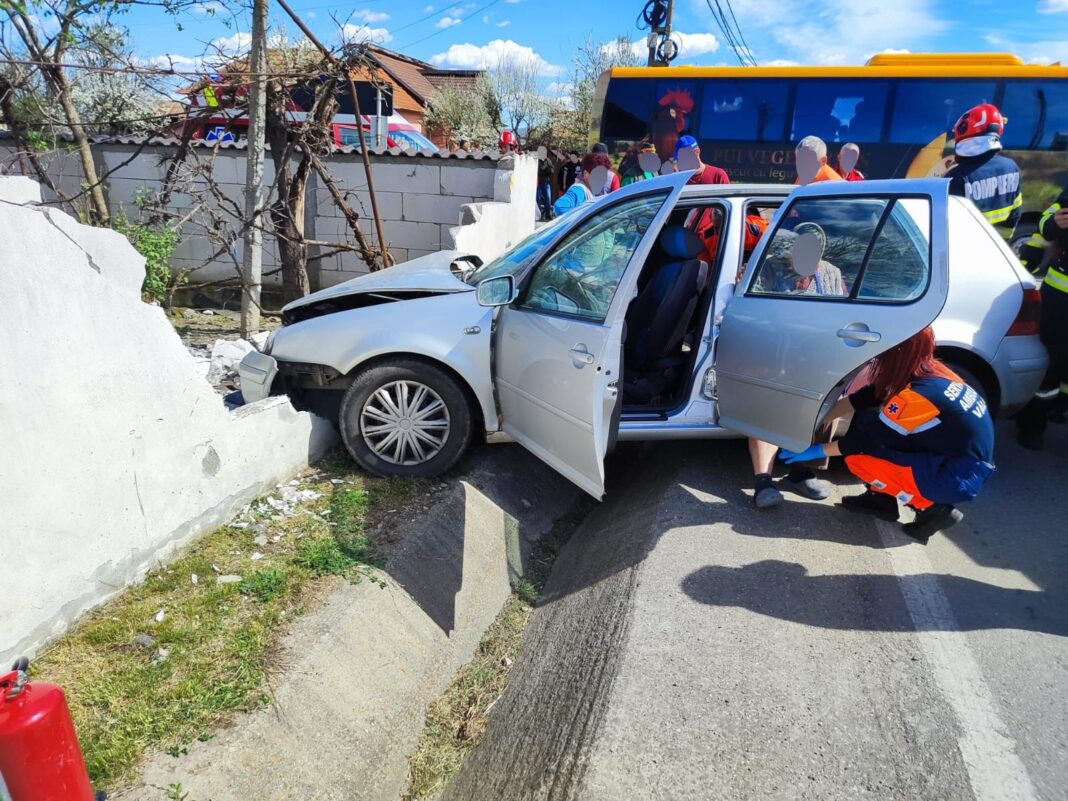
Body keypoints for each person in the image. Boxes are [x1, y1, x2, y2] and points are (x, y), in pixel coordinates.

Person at [780, 326, 995, 543]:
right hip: (954, 461)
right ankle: (881, 502)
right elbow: (861, 399)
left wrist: (815, 450)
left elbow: (865, 441)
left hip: (954, 477)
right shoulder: (930, 370)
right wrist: (813, 422)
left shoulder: (919, 395)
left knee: (859, 459)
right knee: (867, 420)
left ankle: (934, 510)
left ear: (896, 353)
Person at [747, 226, 841, 508]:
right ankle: (762, 482)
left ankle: (800, 472)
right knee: (768, 408)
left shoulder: (830, 273)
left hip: (815, 352)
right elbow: (754, 309)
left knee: (821, 409)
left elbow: (841, 311)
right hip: (775, 350)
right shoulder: (770, 268)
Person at [1015, 185, 1068, 449]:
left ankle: (1060, 407)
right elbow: (1048, 219)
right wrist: (1054, 224)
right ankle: (1032, 426)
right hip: (1060, 299)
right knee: (1051, 365)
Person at [943, 103, 1022, 228]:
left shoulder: (957, 177)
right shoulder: (1012, 167)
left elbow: (945, 223)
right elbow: (1014, 215)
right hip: (997, 245)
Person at [551, 153, 599, 217]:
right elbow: (559, 207)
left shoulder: (580, 165)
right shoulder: (579, 191)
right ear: (586, 173)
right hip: (570, 186)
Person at [536, 149, 554, 221]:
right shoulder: (537, 161)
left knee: (548, 200)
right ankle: (539, 214)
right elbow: (540, 169)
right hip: (539, 183)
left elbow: (552, 171)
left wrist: (548, 168)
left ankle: (547, 214)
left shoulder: (548, 161)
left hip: (546, 183)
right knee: (538, 199)